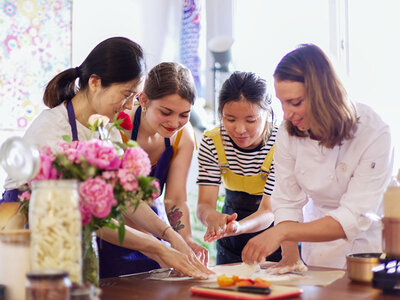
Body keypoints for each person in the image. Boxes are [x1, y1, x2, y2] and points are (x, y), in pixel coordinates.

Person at [1, 37, 211, 279]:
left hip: (72, 238)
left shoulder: (107, 130)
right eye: (127, 94)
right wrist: (158, 248)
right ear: (95, 83)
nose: (130, 104)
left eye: (134, 95)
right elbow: (84, 213)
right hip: (25, 233)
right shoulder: (52, 129)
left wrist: (170, 234)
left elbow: (125, 198)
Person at [242, 43, 394, 271]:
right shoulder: (287, 133)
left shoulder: (374, 132)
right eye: (282, 103)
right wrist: (291, 256)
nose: (287, 114)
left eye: (295, 103)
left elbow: (354, 215)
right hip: (319, 249)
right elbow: (287, 200)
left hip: (370, 246)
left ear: (324, 95)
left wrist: (282, 231)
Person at [123, 62, 208, 265]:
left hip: (156, 230)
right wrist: (162, 244)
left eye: (184, 115)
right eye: (166, 112)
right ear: (143, 99)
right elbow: (122, 203)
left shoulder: (182, 137)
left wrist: (185, 239)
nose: (174, 123)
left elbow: (176, 199)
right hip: (118, 231)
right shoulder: (118, 127)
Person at [196, 71, 282, 265]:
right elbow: (204, 205)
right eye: (230, 119)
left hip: (275, 238)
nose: (239, 129)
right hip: (230, 242)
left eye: (250, 120)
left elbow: (269, 211)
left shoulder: (282, 144)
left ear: (267, 113)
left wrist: (238, 227)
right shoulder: (213, 141)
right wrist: (213, 218)